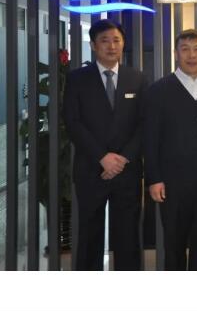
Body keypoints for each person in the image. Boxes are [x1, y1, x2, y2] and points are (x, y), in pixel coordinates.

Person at [63, 19, 148, 270]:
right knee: (89, 235)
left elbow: (144, 123)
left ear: (123, 44)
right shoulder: (77, 79)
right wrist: (102, 157)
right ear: (93, 45)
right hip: (91, 169)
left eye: (116, 40)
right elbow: (73, 122)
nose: (111, 46)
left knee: (128, 236)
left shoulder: (137, 78)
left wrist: (123, 159)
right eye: (104, 41)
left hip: (127, 171)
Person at [144, 29, 197, 270]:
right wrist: (154, 179)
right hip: (172, 182)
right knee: (174, 244)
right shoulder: (159, 90)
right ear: (176, 54)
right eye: (185, 49)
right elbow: (150, 138)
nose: (191, 55)